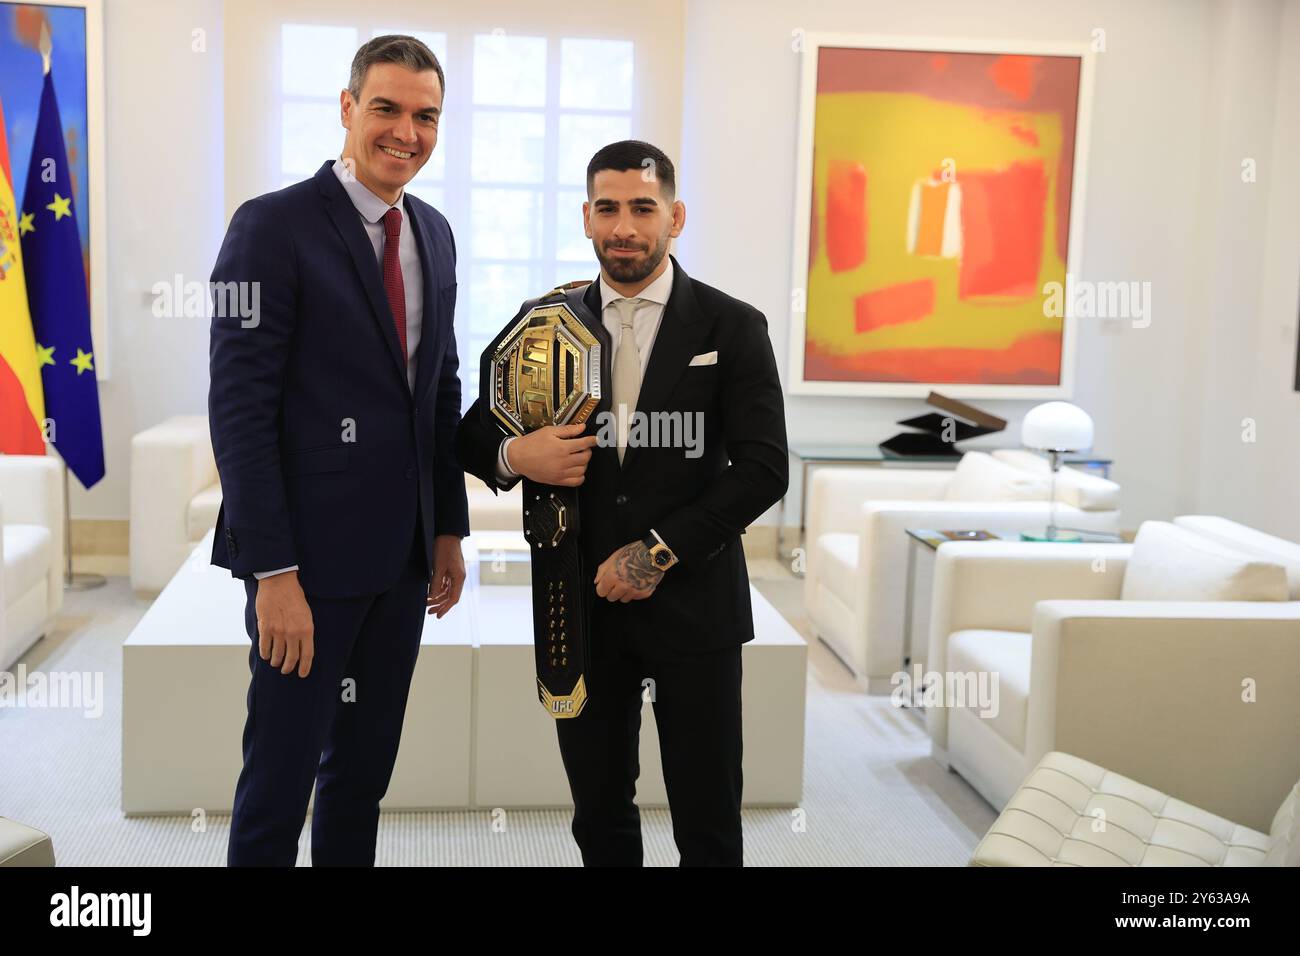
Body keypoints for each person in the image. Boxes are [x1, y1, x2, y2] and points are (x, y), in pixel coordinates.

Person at [457, 140, 789, 866]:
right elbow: (473, 438)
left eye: (643, 208)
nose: (625, 227)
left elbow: (764, 470)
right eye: (608, 208)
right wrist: (519, 454)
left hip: (697, 608)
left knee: (708, 817)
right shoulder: (541, 323)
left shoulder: (732, 327)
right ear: (585, 216)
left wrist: (656, 553)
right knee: (599, 814)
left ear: (675, 216)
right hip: (578, 609)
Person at [208, 34, 467, 866]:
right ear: (349, 108)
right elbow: (239, 412)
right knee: (278, 785)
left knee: (361, 781)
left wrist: (449, 529)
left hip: (401, 566)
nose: (407, 131)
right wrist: (271, 572)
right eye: (387, 108)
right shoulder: (269, 227)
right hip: (306, 569)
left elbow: (439, 391)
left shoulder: (435, 232)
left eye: (426, 116)